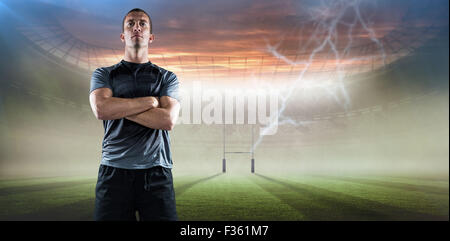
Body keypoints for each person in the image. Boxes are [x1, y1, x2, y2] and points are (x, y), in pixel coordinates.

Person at [89, 8, 180, 221]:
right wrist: (149, 102)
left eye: (142, 24)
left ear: (151, 36)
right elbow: (101, 109)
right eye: (130, 24)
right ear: (123, 36)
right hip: (113, 172)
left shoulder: (166, 77)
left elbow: (167, 120)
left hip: (157, 172)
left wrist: (117, 108)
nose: (136, 27)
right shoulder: (104, 74)